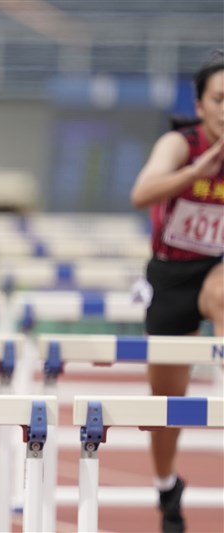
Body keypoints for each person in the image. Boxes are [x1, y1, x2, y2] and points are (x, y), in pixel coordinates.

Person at [129, 51, 224, 533]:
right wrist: (197, 172)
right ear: (201, 104)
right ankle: (166, 482)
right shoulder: (180, 143)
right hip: (170, 277)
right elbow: (142, 193)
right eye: (220, 99)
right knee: (167, 406)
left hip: (216, 270)